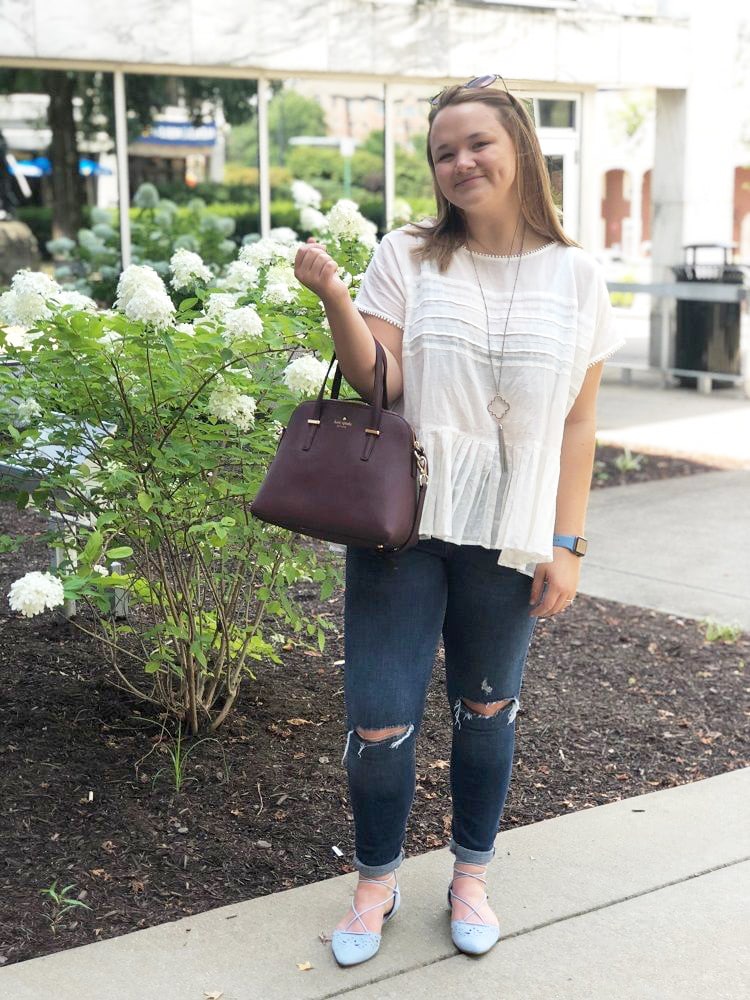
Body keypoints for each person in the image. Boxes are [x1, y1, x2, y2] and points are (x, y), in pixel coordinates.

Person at [293, 76, 623, 967]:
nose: (460, 161)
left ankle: (469, 875)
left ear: (519, 146)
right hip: (406, 521)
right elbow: (382, 384)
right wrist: (333, 300)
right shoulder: (409, 254)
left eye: (477, 142)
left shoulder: (578, 275)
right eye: (443, 152)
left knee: (488, 709)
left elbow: (578, 422)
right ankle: (375, 883)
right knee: (378, 717)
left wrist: (568, 539)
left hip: (510, 530)